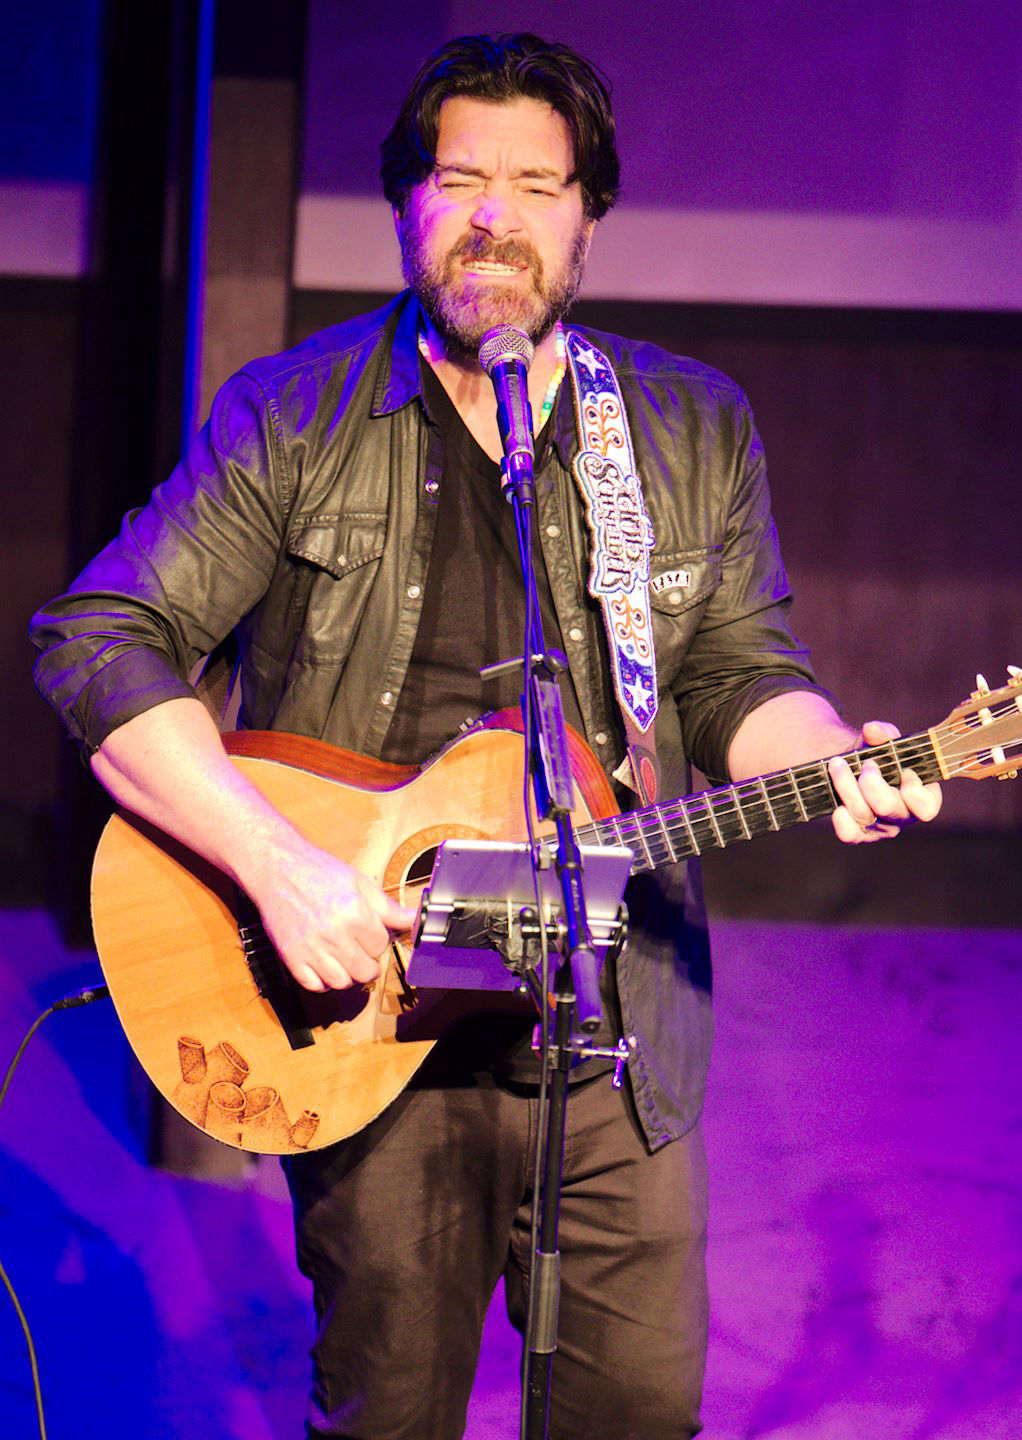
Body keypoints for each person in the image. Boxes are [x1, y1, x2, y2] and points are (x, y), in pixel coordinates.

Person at [30, 32, 941, 1440]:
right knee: (388, 1412)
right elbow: (96, 636)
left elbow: (742, 675)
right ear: (406, 202)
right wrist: (279, 868)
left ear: (589, 216)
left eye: (538, 184)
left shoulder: (690, 430)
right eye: (460, 179)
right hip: (369, 1013)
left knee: (637, 1414)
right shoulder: (294, 415)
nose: (496, 221)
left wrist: (827, 757)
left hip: (616, 1019)